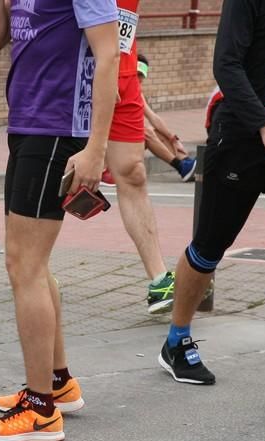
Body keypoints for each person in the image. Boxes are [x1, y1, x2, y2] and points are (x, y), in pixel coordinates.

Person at [0, 0, 119, 441]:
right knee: (33, 262)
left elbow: (109, 53)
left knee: (24, 266)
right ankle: (57, 383)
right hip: (27, 124)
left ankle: (40, 411)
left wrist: (96, 147)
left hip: (58, 128)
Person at [158, 0, 265, 385]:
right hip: (242, 137)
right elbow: (226, 63)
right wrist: (263, 124)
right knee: (210, 246)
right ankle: (177, 341)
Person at [96, 5, 176, 315]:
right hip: (72, 72)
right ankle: (34, 270)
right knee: (54, 169)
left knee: (132, 172)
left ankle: (159, 280)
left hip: (123, 72)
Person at [136, 54, 198, 182]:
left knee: (158, 132)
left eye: (141, 75)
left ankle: (186, 163)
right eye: (136, 74)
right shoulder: (119, 89)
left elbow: (152, 116)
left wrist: (173, 138)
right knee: (145, 132)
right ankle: (180, 166)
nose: (139, 79)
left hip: (127, 141)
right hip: (115, 145)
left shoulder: (137, 92)